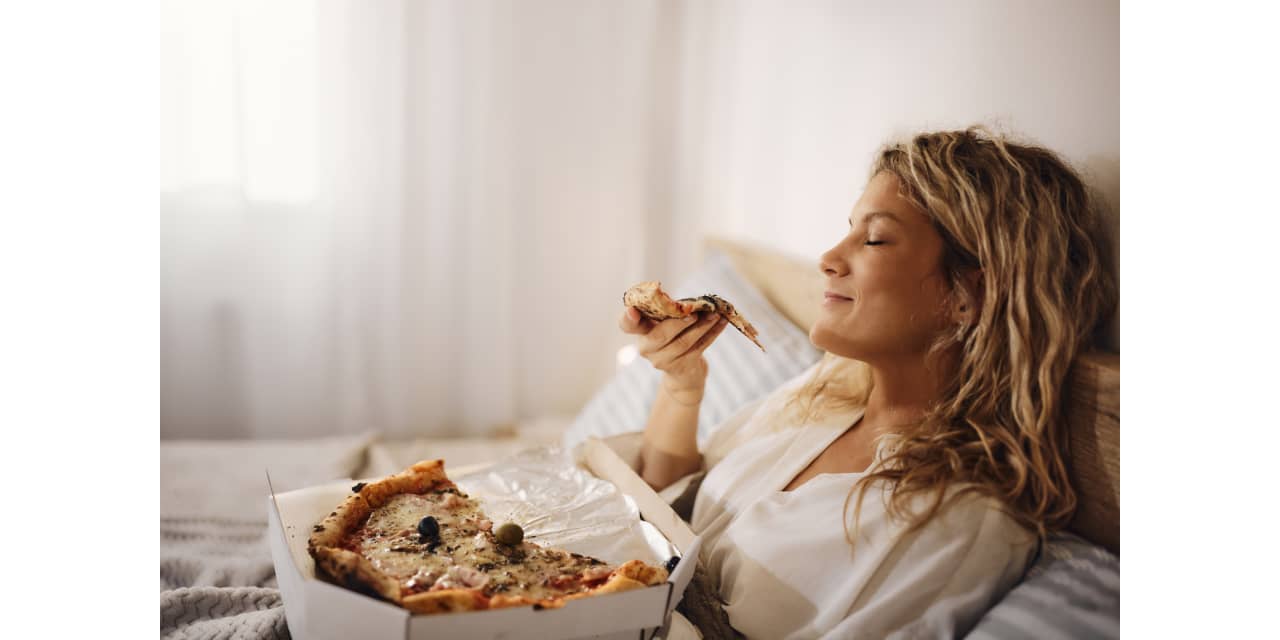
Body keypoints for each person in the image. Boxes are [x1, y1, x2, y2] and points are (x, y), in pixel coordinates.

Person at [618, 126, 1116, 639]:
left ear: (969, 295)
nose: (829, 258)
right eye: (849, 229)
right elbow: (662, 501)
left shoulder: (953, 518)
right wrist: (682, 386)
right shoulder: (824, 396)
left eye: (874, 238)